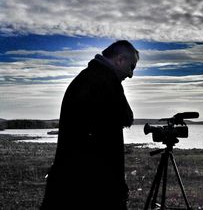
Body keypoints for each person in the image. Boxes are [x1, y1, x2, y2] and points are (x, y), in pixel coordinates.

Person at [41, 40, 139, 210]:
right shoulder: (106, 80)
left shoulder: (84, 78)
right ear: (120, 60)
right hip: (94, 185)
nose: (130, 74)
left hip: (69, 180)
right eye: (132, 67)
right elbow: (126, 117)